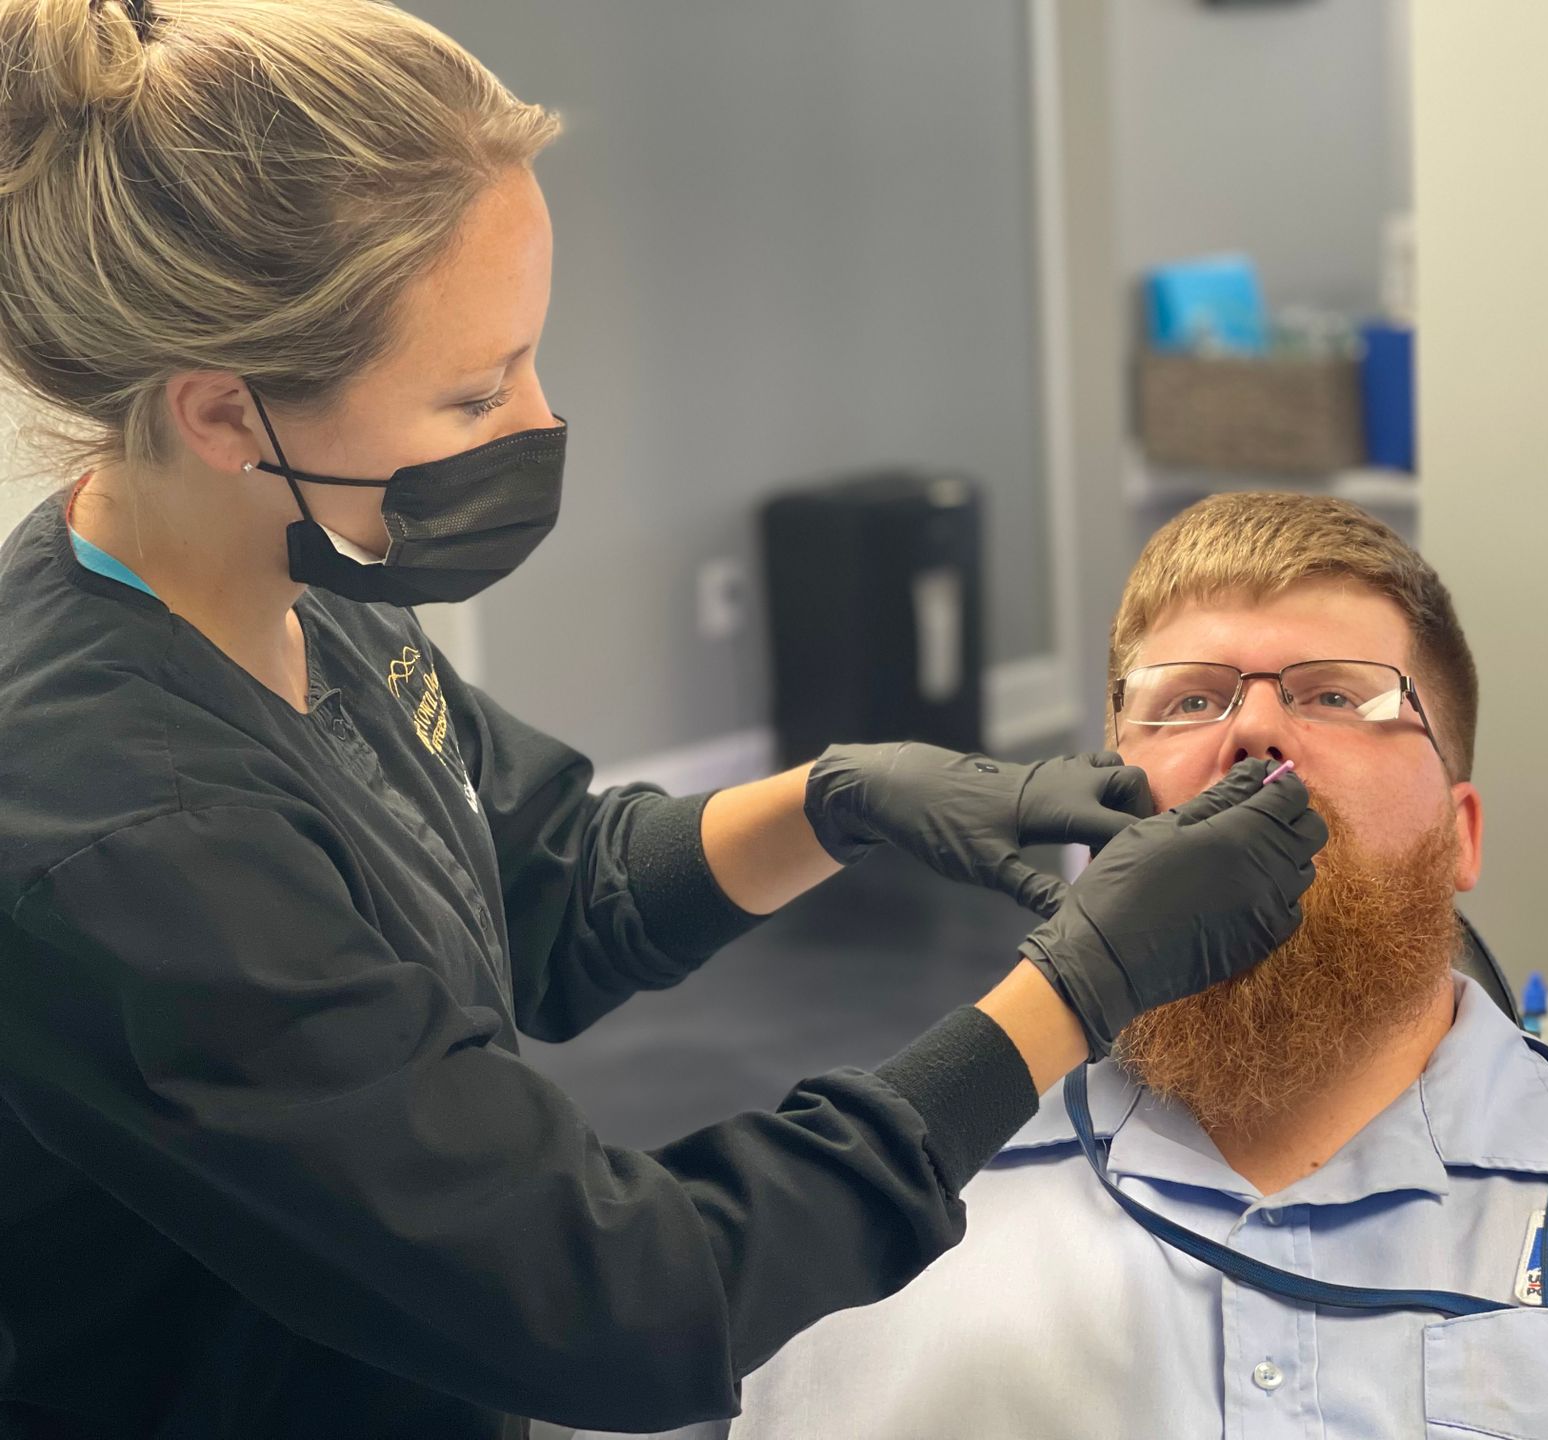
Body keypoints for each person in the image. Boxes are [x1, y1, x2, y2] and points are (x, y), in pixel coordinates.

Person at [0, 4, 1330, 1436]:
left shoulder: (295, 569)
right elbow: (618, 1298)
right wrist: (1078, 989)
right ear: (220, 414)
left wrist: (838, 800)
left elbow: (540, 885)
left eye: (528, 357)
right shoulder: (126, 828)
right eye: (471, 391)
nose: (535, 418)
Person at [710, 493, 1548, 1440]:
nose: (1253, 731)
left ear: (1462, 832)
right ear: (1098, 812)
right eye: (1185, 703)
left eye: (1340, 696)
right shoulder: (849, 1258)